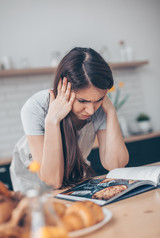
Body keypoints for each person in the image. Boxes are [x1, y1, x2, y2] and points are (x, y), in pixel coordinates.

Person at [10, 47, 129, 192]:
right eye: (82, 101)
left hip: (72, 175)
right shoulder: (36, 107)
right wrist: (52, 121)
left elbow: (115, 165)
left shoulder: (100, 108)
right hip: (31, 182)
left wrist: (111, 112)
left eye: (99, 99)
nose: (91, 110)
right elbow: (52, 182)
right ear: (63, 87)